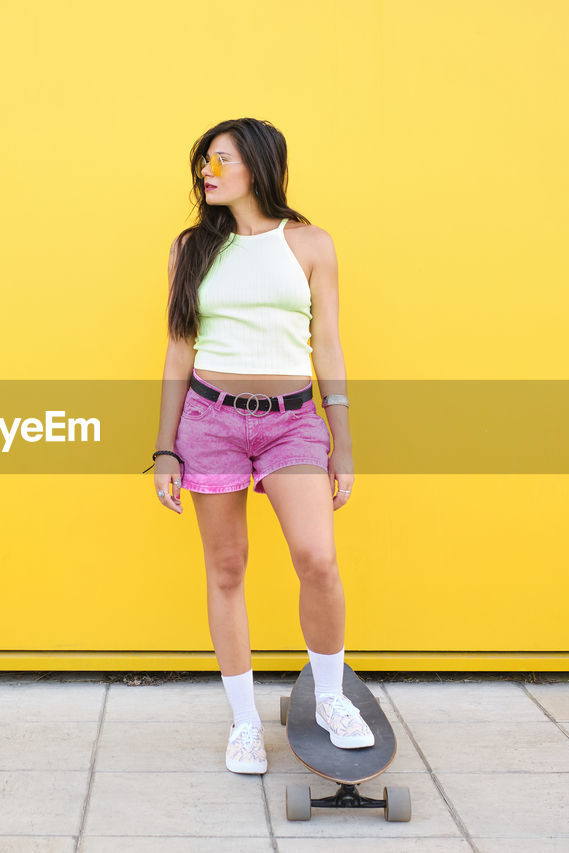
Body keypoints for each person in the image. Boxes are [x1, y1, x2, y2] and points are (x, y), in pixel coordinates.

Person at [148, 117, 372, 775]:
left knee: (317, 558)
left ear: (259, 166)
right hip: (210, 422)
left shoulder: (310, 244)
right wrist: (164, 447)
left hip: (292, 421)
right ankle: (245, 721)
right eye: (203, 163)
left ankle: (329, 697)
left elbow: (326, 345)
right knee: (226, 568)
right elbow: (178, 351)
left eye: (220, 161)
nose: (206, 173)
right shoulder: (190, 248)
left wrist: (344, 440)